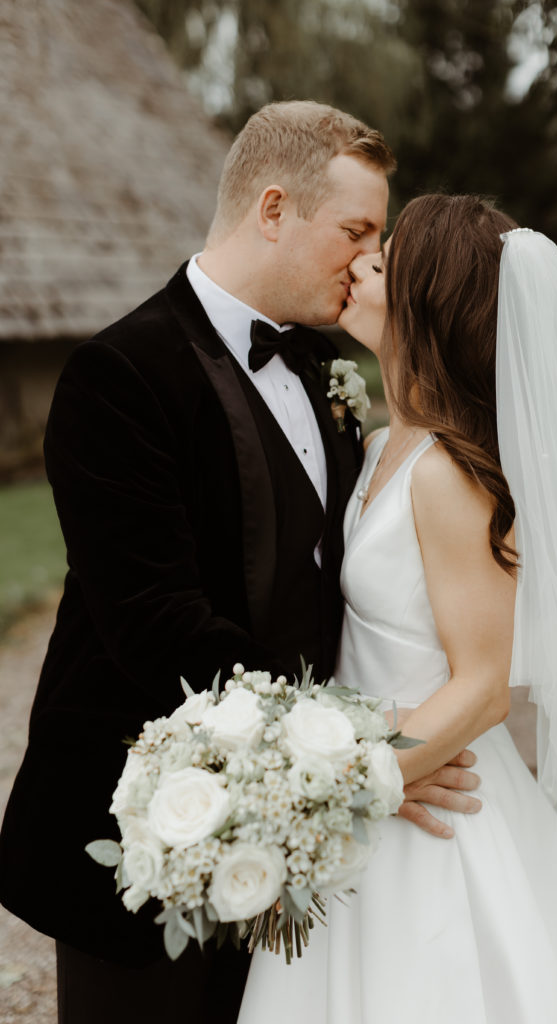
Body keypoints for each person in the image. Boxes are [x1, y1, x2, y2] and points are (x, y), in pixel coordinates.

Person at [0, 106, 481, 1024]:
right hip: (143, 835)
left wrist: (365, 763)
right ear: (272, 208)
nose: (370, 258)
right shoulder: (119, 375)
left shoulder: (328, 369)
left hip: (302, 851)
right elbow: (159, 630)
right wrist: (365, 754)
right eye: (356, 231)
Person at [236, 194, 557, 1023]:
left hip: (429, 806)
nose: (362, 263)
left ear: (425, 303)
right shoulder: (378, 445)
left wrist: (345, 783)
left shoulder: (447, 476)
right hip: (378, 785)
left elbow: (481, 689)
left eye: (387, 258)